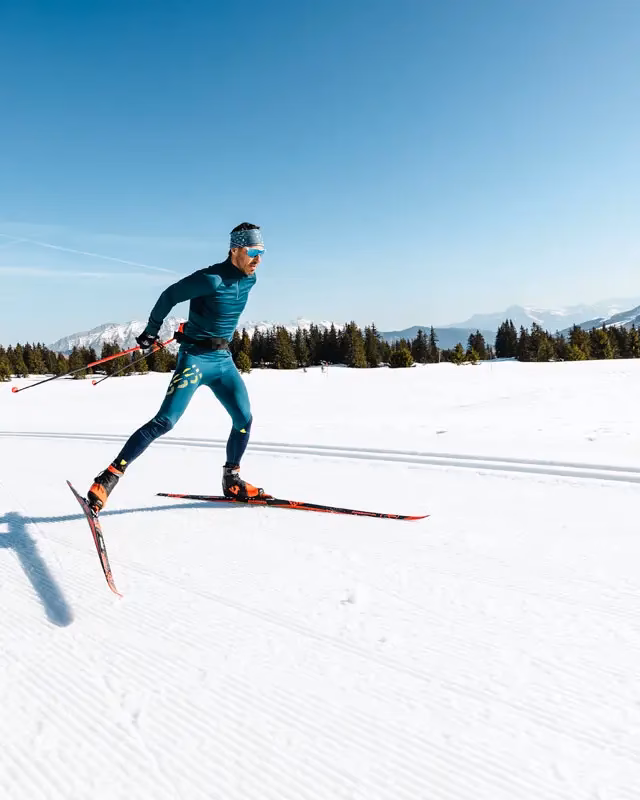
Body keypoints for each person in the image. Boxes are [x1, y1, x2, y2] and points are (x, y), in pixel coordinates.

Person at [87, 222, 270, 512]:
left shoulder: (251, 279)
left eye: (262, 251)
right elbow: (170, 295)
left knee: (244, 420)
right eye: (252, 251)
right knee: (165, 421)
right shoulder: (210, 279)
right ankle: (109, 476)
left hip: (223, 361)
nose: (258, 258)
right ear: (235, 249)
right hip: (195, 360)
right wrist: (151, 330)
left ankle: (232, 478)